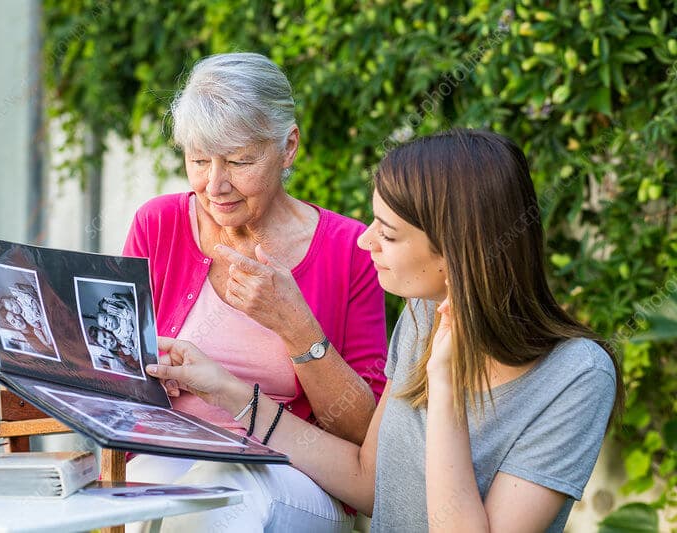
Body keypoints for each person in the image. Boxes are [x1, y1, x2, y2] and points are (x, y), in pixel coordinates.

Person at [146, 129, 625, 532]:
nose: (364, 239)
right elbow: (367, 479)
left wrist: (444, 385)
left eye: (388, 233)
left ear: (455, 253)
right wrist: (227, 390)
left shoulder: (577, 377)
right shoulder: (422, 316)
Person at [122, 52, 387, 532]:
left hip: (291, 474)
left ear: (288, 148)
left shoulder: (350, 250)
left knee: (219, 504)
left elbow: (366, 432)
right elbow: (114, 374)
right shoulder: (157, 224)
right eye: (199, 160)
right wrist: (140, 377)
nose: (216, 185)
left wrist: (294, 325)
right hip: (167, 454)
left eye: (240, 160)